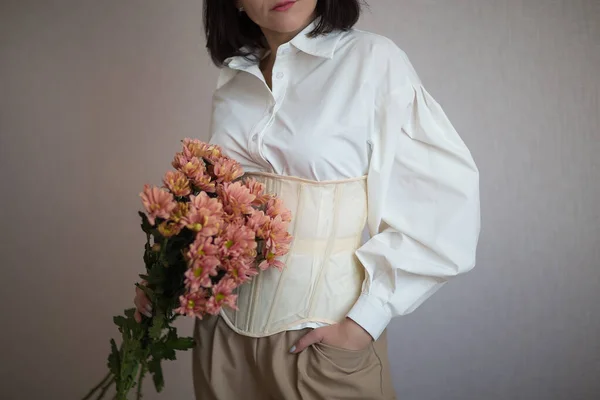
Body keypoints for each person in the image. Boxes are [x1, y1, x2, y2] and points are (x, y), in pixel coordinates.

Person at [134, 0, 481, 399]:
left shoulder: (372, 60)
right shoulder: (235, 76)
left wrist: (365, 321)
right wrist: (167, 276)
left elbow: (441, 205)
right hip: (221, 339)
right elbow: (216, 204)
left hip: (320, 341)